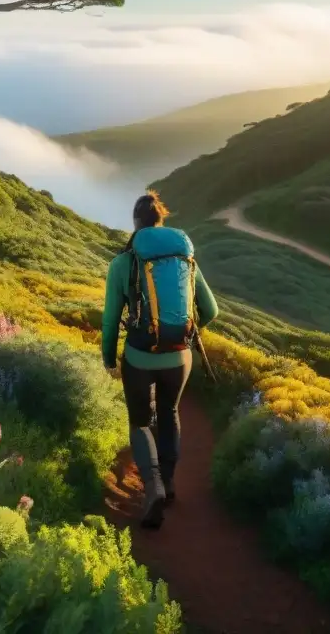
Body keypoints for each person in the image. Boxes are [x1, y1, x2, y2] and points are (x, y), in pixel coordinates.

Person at [101, 191, 218, 530]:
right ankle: (168, 484)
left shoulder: (124, 263)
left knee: (139, 422)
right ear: (160, 220)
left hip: (139, 357)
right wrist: (187, 333)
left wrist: (109, 358)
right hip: (179, 357)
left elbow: (110, 321)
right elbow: (210, 310)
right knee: (169, 412)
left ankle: (151, 489)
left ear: (136, 224)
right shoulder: (184, 259)